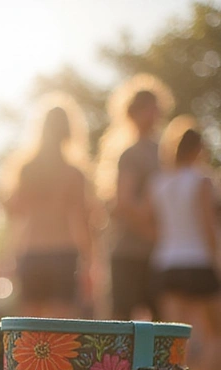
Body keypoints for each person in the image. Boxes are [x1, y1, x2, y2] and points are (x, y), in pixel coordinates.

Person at [149, 118, 221, 370]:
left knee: (174, 340)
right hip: (199, 262)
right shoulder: (202, 180)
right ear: (198, 149)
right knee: (216, 333)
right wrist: (217, 261)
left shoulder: (160, 182)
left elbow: (154, 225)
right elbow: (208, 226)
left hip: (167, 264)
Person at [3, 98, 93, 318]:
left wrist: (8, 256)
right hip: (63, 254)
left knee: (31, 327)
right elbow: (82, 220)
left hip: (31, 252)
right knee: (60, 326)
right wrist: (90, 262)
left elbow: (14, 213)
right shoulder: (73, 173)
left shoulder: (26, 169)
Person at [96, 75, 174, 320]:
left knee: (162, 325)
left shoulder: (163, 151)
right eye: (149, 108)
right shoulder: (132, 153)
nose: (155, 114)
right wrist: (154, 234)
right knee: (121, 323)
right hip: (129, 252)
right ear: (134, 112)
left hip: (158, 255)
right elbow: (125, 204)